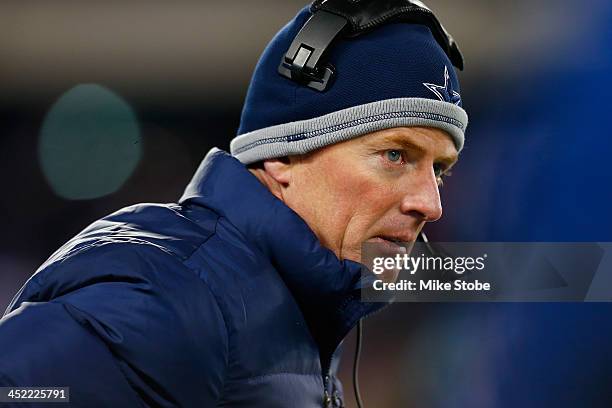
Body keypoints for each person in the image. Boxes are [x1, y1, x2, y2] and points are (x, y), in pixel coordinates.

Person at [0, 1, 468, 407]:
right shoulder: (174, 295)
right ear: (284, 153)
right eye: (395, 155)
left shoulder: (283, 308)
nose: (429, 203)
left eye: (439, 170)